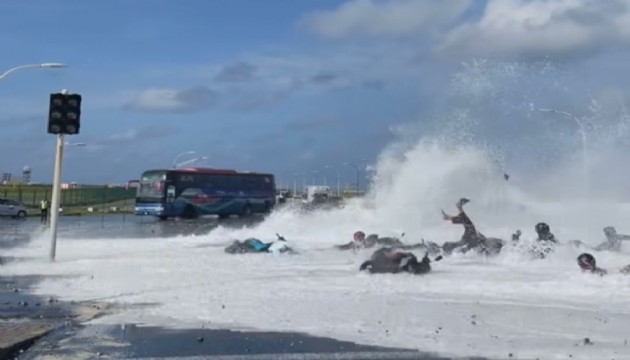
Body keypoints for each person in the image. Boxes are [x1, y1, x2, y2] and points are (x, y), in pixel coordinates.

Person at [359, 247, 442, 275]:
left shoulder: (401, 256)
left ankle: (425, 261)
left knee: (414, 267)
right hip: (404, 264)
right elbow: (365, 265)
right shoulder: (377, 262)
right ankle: (425, 261)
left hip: (408, 262)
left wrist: (425, 262)